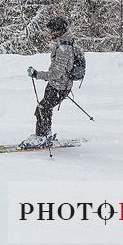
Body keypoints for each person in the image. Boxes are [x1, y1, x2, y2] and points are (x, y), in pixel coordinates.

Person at [23, 16, 76, 148]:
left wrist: (36, 74)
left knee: (43, 109)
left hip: (60, 87)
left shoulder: (65, 48)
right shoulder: (62, 43)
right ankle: (45, 134)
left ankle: (42, 138)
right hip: (56, 85)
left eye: (51, 30)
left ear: (59, 31)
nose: (49, 33)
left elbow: (56, 74)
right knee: (43, 109)